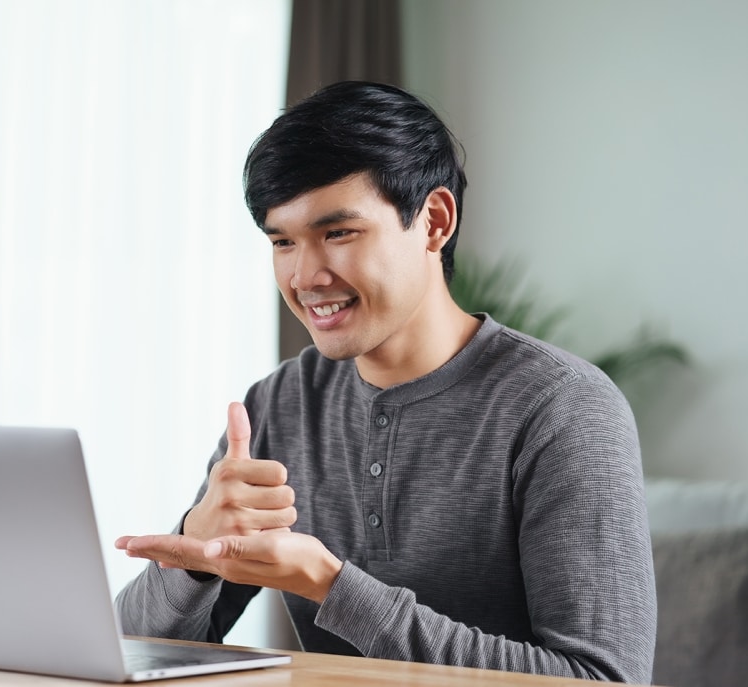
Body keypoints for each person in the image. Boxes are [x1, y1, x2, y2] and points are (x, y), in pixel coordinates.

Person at [114, 81, 656, 683]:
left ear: (433, 222)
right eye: (282, 241)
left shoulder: (562, 408)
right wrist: (195, 552)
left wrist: (331, 586)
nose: (305, 275)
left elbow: (604, 679)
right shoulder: (279, 406)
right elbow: (128, 650)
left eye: (338, 233)